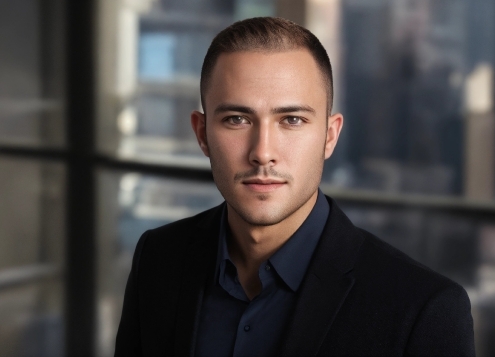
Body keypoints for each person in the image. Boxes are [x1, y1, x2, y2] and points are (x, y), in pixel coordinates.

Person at [115, 17, 475, 357]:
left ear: (329, 136)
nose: (262, 153)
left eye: (292, 120)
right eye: (237, 119)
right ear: (202, 134)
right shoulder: (159, 259)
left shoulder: (422, 310)